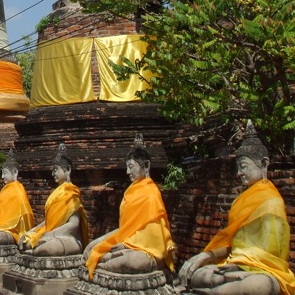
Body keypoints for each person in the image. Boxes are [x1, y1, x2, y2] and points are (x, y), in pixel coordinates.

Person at [177, 121, 295, 295]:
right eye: (238, 168)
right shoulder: (240, 201)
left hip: (262, 270)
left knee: (259, 286)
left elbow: (272, 253)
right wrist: (206, 256)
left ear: (264, 163)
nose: (239, 173)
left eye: (244, 167)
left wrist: (240, 265)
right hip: (235, 265)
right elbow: (232, 245)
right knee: (199, 274)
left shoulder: (272, 201)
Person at [84, 133, 174, 277]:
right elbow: (127, 227)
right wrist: (111, 241)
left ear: (146, 166)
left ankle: (103, 266)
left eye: (131, 167)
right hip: (129, 239)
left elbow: (154, 233)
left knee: (131, 262)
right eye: (127, 167)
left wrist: (126, 244)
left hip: (147, 247)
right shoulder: (130, 192)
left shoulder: (151, 194)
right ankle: (104, 263)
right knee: (92, 249)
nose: (127, 172)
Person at [21, 143, 88, 256]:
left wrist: (51, 235)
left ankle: (37, 251)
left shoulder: (72, 193)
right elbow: (48, 222)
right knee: (26, 242)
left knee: (48, 248)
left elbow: (74, 224)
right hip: (50, 233)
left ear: (68, 170)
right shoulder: (55, 193)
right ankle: (36, 250)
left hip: (68, 237)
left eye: (55, 170)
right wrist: (32, 231)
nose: (53, 174)